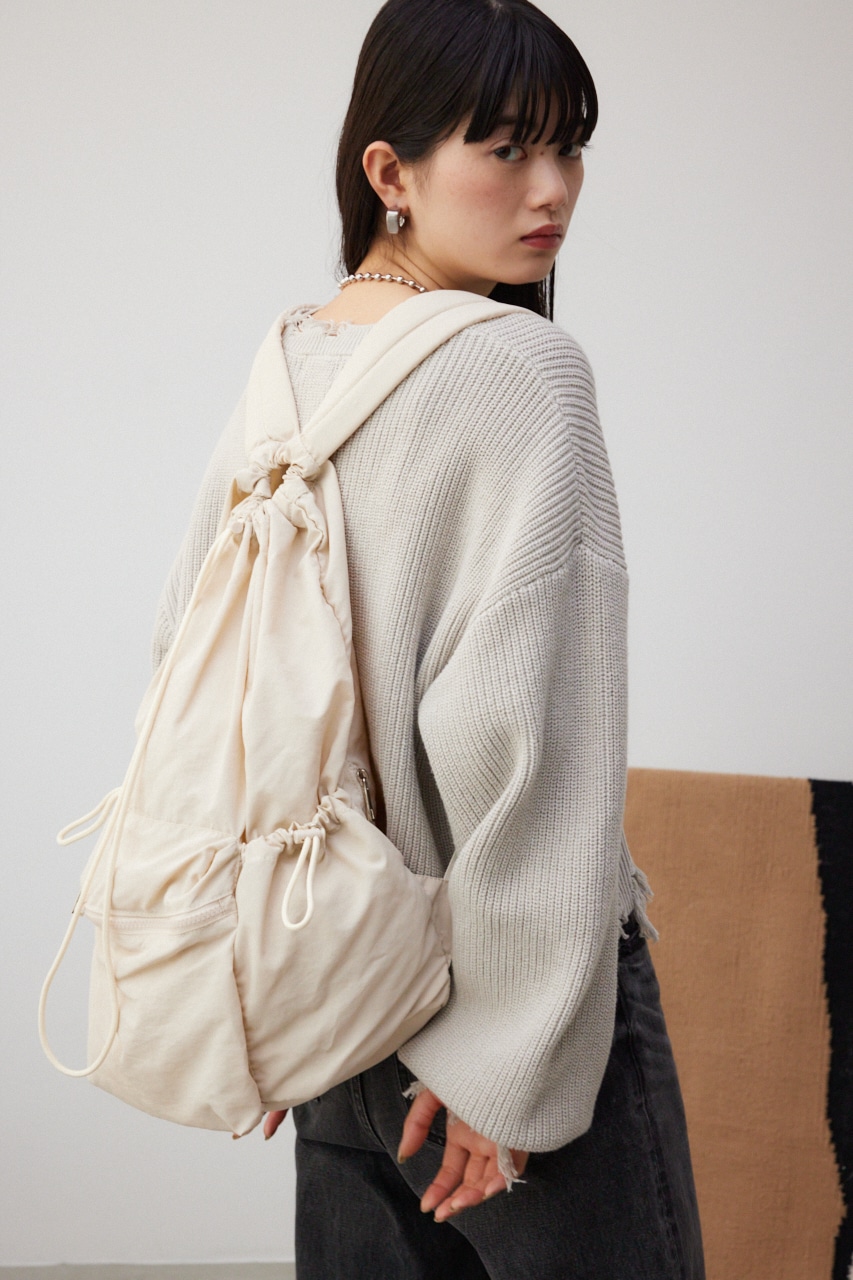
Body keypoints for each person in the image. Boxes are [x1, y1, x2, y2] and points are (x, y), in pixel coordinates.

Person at [152, 0, 706, 1274]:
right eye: (506, 149)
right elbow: (530, 741)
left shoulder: (287, 364)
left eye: (570, 148)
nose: (552, 190)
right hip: (501, 1006)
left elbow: (196, 681)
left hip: (337, 989)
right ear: (389, 173)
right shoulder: (522, 368)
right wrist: (511, 1060)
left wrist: (263, 978)